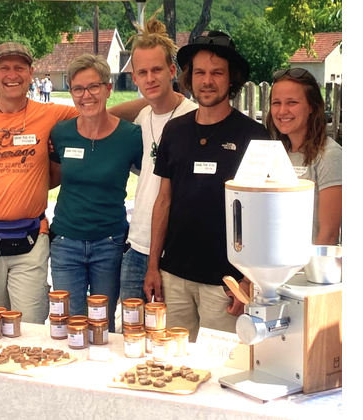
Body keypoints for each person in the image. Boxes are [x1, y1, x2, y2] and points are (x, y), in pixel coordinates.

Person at [0, 42, 145, 324]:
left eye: (19, 67)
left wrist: (160, 99)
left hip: (31, 238)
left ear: (31, 73)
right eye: (4, 68)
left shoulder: (51, 116)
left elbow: (99, 113)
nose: (12, 74)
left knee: (32, 324)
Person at [144, 31, 271, 341]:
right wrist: (152, 266)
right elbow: (164, 201)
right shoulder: (174, 131)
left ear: (231, 79)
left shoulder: (253, 136)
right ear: (189, 77)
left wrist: (248, 278)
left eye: (217, 72)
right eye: (199, 72)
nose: (207, 80)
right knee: (173, 363)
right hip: (173, 276)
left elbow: (263, 215)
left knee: (222, 369)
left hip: (225, 282)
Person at [49, 53, 143, 333]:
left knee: (103, 325)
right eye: (78, 88)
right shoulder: (61, 133)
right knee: (69, 327)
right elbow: (52, 178)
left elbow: (151, 181)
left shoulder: (130, 137)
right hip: (66, 243)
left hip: (110, 243)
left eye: (93, 87)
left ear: (108, 88)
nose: (86, 95)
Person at [119, 13, 198, 304]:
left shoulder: (194, 117)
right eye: (142, 73)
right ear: (134, 76)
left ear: (172, 70)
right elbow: (102, 116)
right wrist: (150, 98)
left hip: (175, 248)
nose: (150, 78)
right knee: (130, 334)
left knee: (169, 339)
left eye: (157, 70)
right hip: (138, 242)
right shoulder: (142, 117)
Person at [266, 68, 342, 245]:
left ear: (311, 107)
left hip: (307, 269)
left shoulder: (330, 155)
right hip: (276, 269)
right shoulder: (275, 153)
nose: (282, 110)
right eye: (276, 103)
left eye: (292, 102)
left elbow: (328, 234)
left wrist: (310, 272)